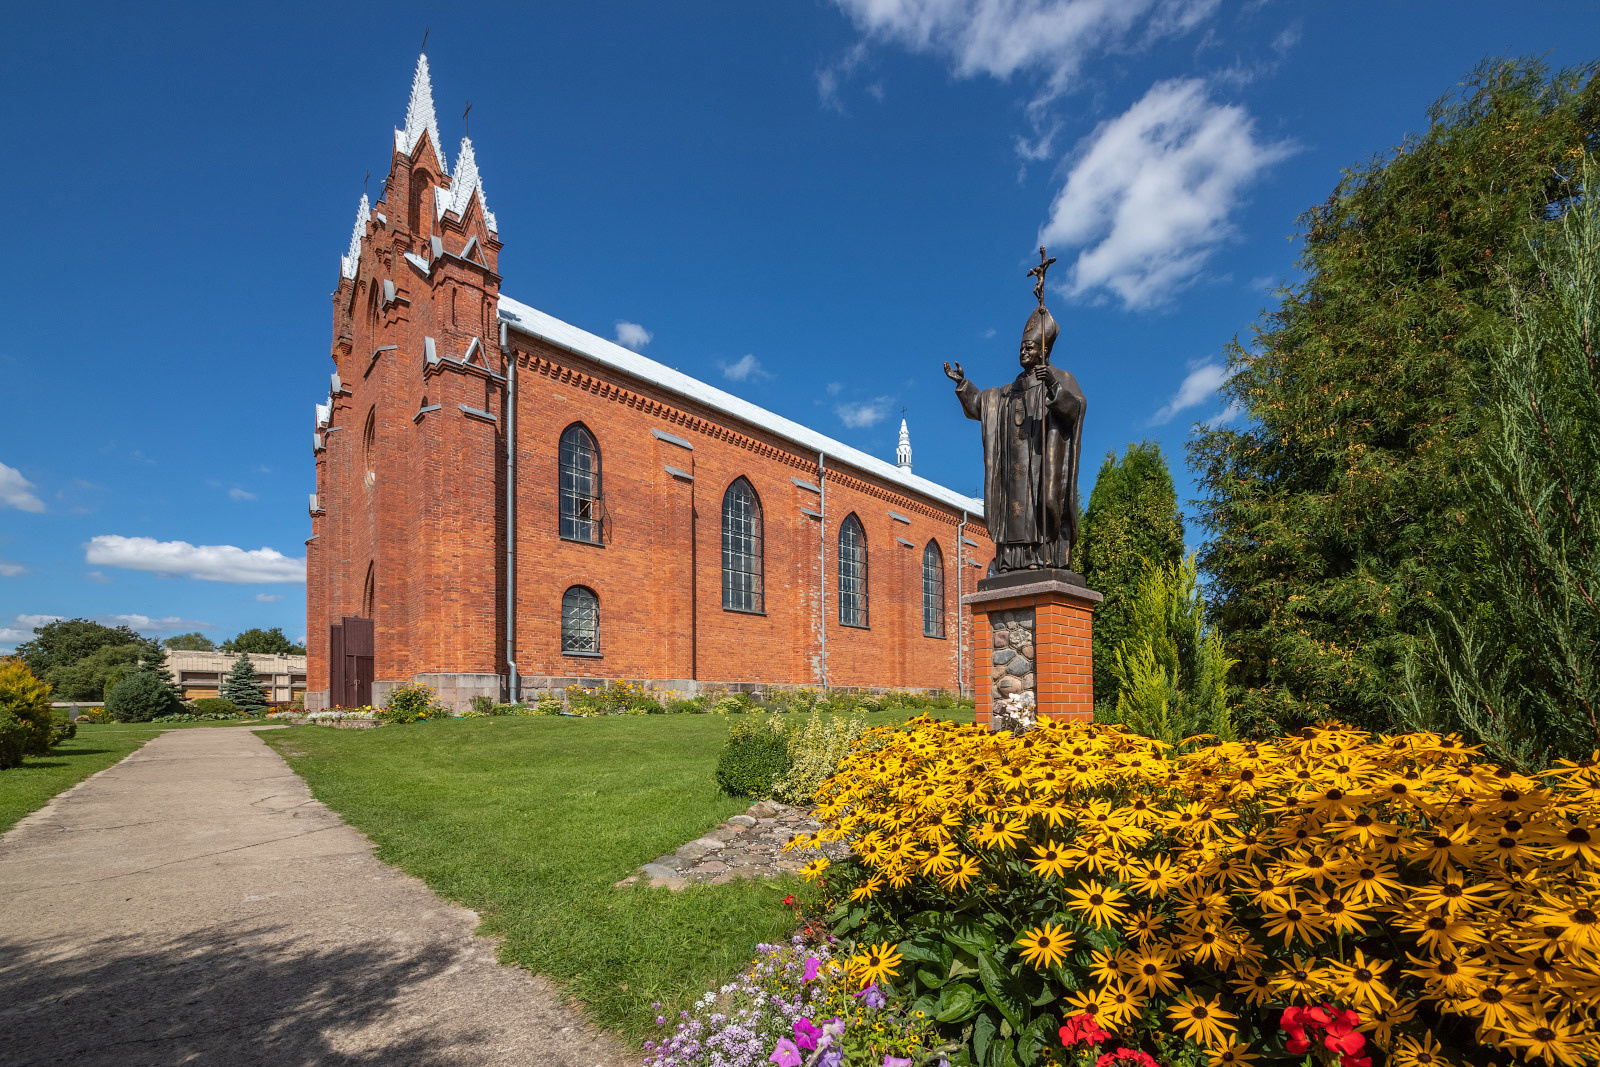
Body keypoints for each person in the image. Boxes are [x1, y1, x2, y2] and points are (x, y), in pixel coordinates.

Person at [944, 301, 1086, 573]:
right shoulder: (1009, 391)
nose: (1023, 351)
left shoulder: (1061, 378)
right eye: (1021, 347)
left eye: (1029, 347)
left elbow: (1075, 410)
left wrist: (1053, 385)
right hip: (1011, 468)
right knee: (1012, 511)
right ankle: (1011, 560)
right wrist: (963, 384)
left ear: (1043, 350)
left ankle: (1042, 557)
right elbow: (982, 406)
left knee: (1038, 506)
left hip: (1040, 462)